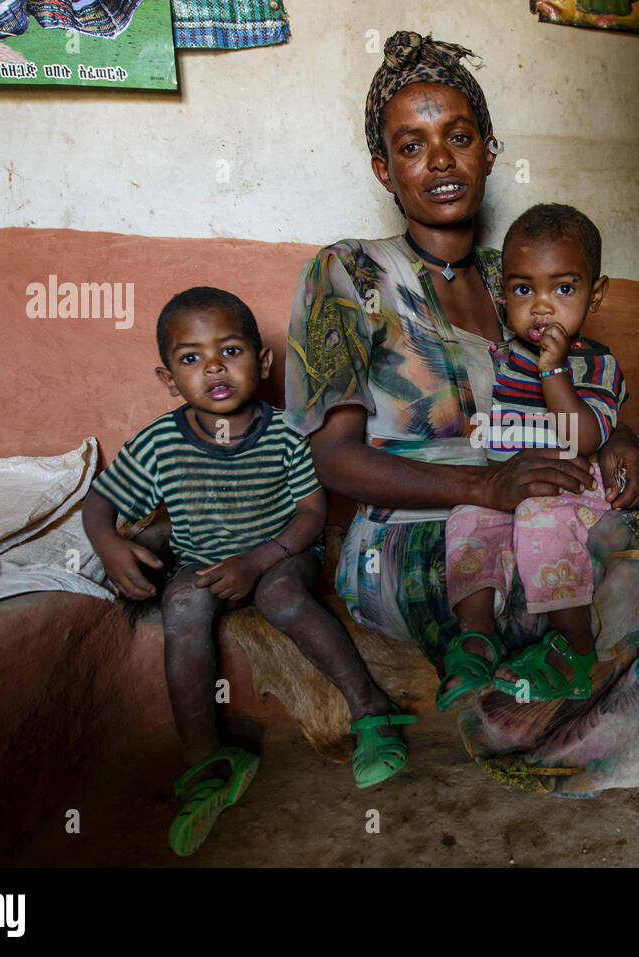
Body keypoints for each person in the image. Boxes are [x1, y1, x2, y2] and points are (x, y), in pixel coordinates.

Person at [287, 31, 639, 796]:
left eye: (459, 137)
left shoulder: (519, 286)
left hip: (540, 493)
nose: (440, 161)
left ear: (489, 151)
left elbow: (571, 389)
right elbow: (333, 459)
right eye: (412, 145)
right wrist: (482, 488)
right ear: (384, 168)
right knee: (611, 553)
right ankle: (538, 718)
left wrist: (622, 436)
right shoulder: (349, 273)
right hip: (416, 534)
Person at [83, 287, 413, 857]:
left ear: (262, 364)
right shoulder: (162, 442)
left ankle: (370, 709)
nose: (212, 367)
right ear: (168, 380)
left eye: (229, 350)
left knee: (282, 599)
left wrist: (259, 561)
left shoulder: (285, 431)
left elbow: (312, 514)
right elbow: (99, 503)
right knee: (182, 604)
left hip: (281, 554)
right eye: (190, 358)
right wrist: (108, 545)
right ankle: (206, 760)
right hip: (199, 560)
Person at [441, 203, 626, 707]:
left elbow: (584, 438)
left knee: (541, 521)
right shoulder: (507, 359)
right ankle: (477, 638)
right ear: (504, 299)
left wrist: (555, 372)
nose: (542, 307)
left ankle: (575, 648)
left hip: (571, 492)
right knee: (466, 519)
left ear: (597, 292)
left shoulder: (598, 364)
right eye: (525, 290)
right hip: (516, 489)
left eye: (563, 289)